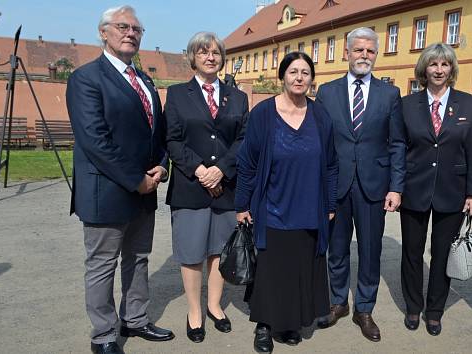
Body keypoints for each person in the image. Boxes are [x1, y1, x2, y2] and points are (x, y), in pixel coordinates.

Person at [66, 6, 174, 354]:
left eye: (137, 29)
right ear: (103, 33)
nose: (131, 33)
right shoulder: (86, 78)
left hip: (144, 190)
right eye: (123, 26)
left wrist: (161, 165)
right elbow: (95, 141)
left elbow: (156, 133)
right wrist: (135, 179)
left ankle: (136, 318)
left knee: (138, 258)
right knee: (102, 266)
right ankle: (104, 335)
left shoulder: (144, 80)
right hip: (107, 192)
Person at [235, 51, 338, 353]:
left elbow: (331, 164)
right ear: (282, 76)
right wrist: (242, 205)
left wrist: (330, 204)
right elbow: (248, 163)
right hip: (272, 206)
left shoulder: (320, 116)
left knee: (299, 268)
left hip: (309, 207)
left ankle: (290, 322)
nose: (299, 78)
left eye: (305, 73)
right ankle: (265, 326)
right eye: (293, 72)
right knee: (270, 270)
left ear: (311, 79)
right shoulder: (264, 114)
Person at [315, 27, 406, 342]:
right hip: (335, 185)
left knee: (370, 250)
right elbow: (319, 142)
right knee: (336, 249)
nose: (364, 56)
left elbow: (397, 144)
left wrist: (396, 187)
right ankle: (338, 301)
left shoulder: (390, 94)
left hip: (374, 185)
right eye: (358, 50)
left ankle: (364, 308)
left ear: (376, 54)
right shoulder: (326, 92)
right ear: (347, 52)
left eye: (369, 51)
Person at [164, 32, 249, 343]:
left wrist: (221, 171)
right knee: (192, 252)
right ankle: (194, 310)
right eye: (204, 53)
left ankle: (214, 305)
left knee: (218, 251)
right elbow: (172, 139)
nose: (211, 57)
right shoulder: (176, 94)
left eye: (216, 52)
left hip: (226, 186)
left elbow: (243, 139)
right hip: (190, 186)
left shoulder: (237, 97)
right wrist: (201, 171)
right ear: (193, 58)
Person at [399, 43, 472, 336]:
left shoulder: (468, 103)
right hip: (414, 188)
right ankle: (412, 306)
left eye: (444, 64)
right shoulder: (407, 104)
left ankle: (434, 311)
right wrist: (395, 188)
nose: (438, 70)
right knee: (411, 251)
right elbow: (398, 148)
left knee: (442, 254)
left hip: (453, 190)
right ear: (424, 69)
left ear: (451, 69)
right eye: (433, 64)